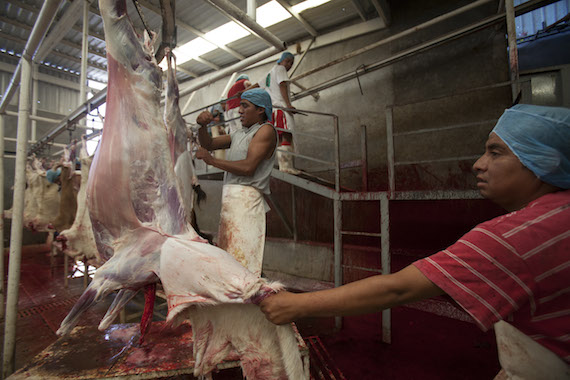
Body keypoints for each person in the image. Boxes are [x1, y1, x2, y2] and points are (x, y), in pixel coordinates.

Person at [260, 104, 570, 377]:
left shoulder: (514, 238)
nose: (479, 163)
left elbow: (399, 287)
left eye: (495, 152)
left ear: (544, 162)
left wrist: (296, 304)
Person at [195, 88, 278, 277]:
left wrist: (212, 161)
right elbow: (208, 144)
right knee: (232, 256)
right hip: (232, 201)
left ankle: (251, 300)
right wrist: (201, 126)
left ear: (260, 110)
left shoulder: (265, 130)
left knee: (245, 259)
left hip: (247, 200)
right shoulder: (240, 134)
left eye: (245, 106)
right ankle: (240, 299)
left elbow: (249, 167)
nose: (239, 110)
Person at [248, 52, 300, 174]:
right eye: (287, 61)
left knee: (280, 138)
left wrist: (243, 93)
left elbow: (256, 85)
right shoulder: (281, 69)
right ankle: (286, 167)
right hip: (281, 108)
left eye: (291, 63)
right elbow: (282, 85)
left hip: (273, 110)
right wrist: (288, 105)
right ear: (280, 61)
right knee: (286, 135)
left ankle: (285, 166)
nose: (289, 65)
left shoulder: (269, 73)